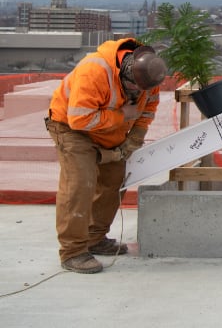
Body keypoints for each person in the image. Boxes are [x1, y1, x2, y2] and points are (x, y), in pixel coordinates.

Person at [45, 37, 167, 273]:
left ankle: (95, 238)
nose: (140, 93)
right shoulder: (95, 70)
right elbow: (80, 119)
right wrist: (122, 116)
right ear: (125, 73)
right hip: (71, 129)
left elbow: (147, 110)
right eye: (135, 89)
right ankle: (73, 251)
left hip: (108, 130)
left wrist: (134, 139)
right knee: (80, 184)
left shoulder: (149, 75)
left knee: (113, 180)